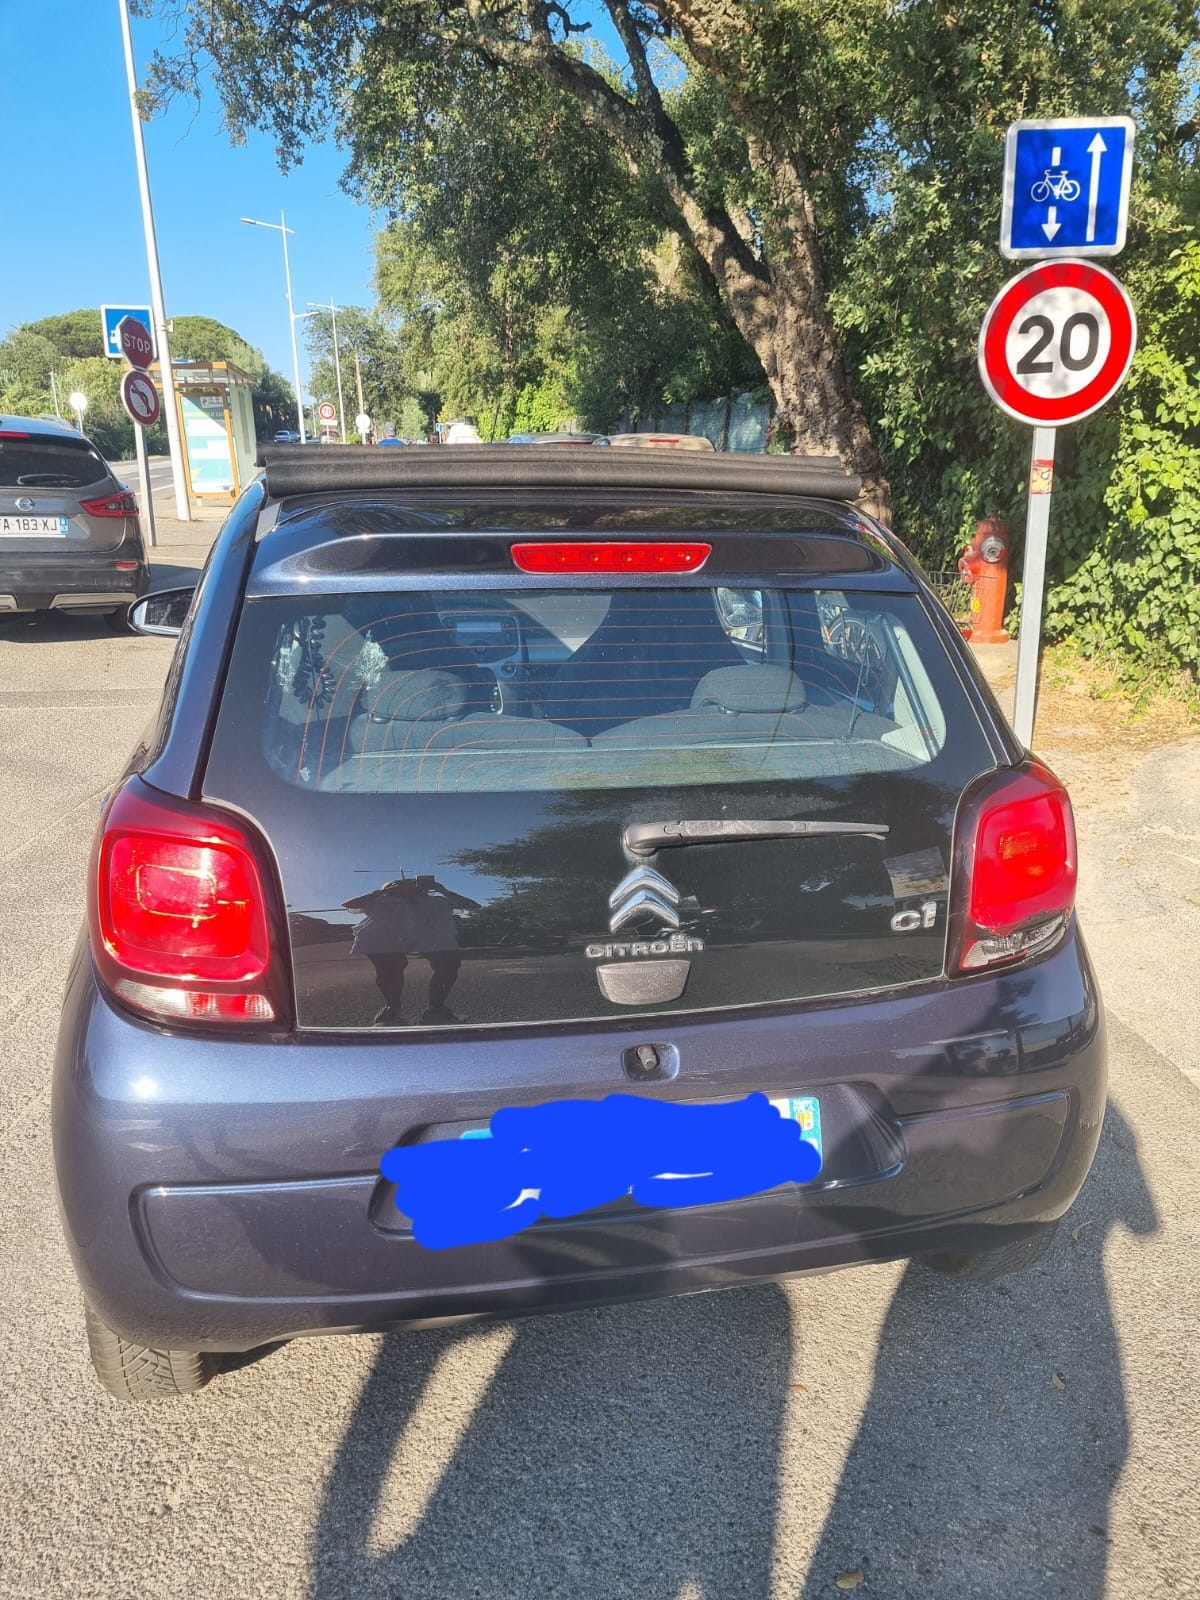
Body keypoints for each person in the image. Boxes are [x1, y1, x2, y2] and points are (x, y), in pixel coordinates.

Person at [343, 874, 481, 1026]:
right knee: (391, 970)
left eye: (411, 885)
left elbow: (474, 905)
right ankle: (393, 1011)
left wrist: (441, 890)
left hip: (427, 937)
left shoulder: (437, 901)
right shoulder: (379, 901)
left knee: (448, 967)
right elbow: (349, 904)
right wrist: (381, 892)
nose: (407, 888)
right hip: (385, 939)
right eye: (401, 886)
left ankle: (434, 1010)